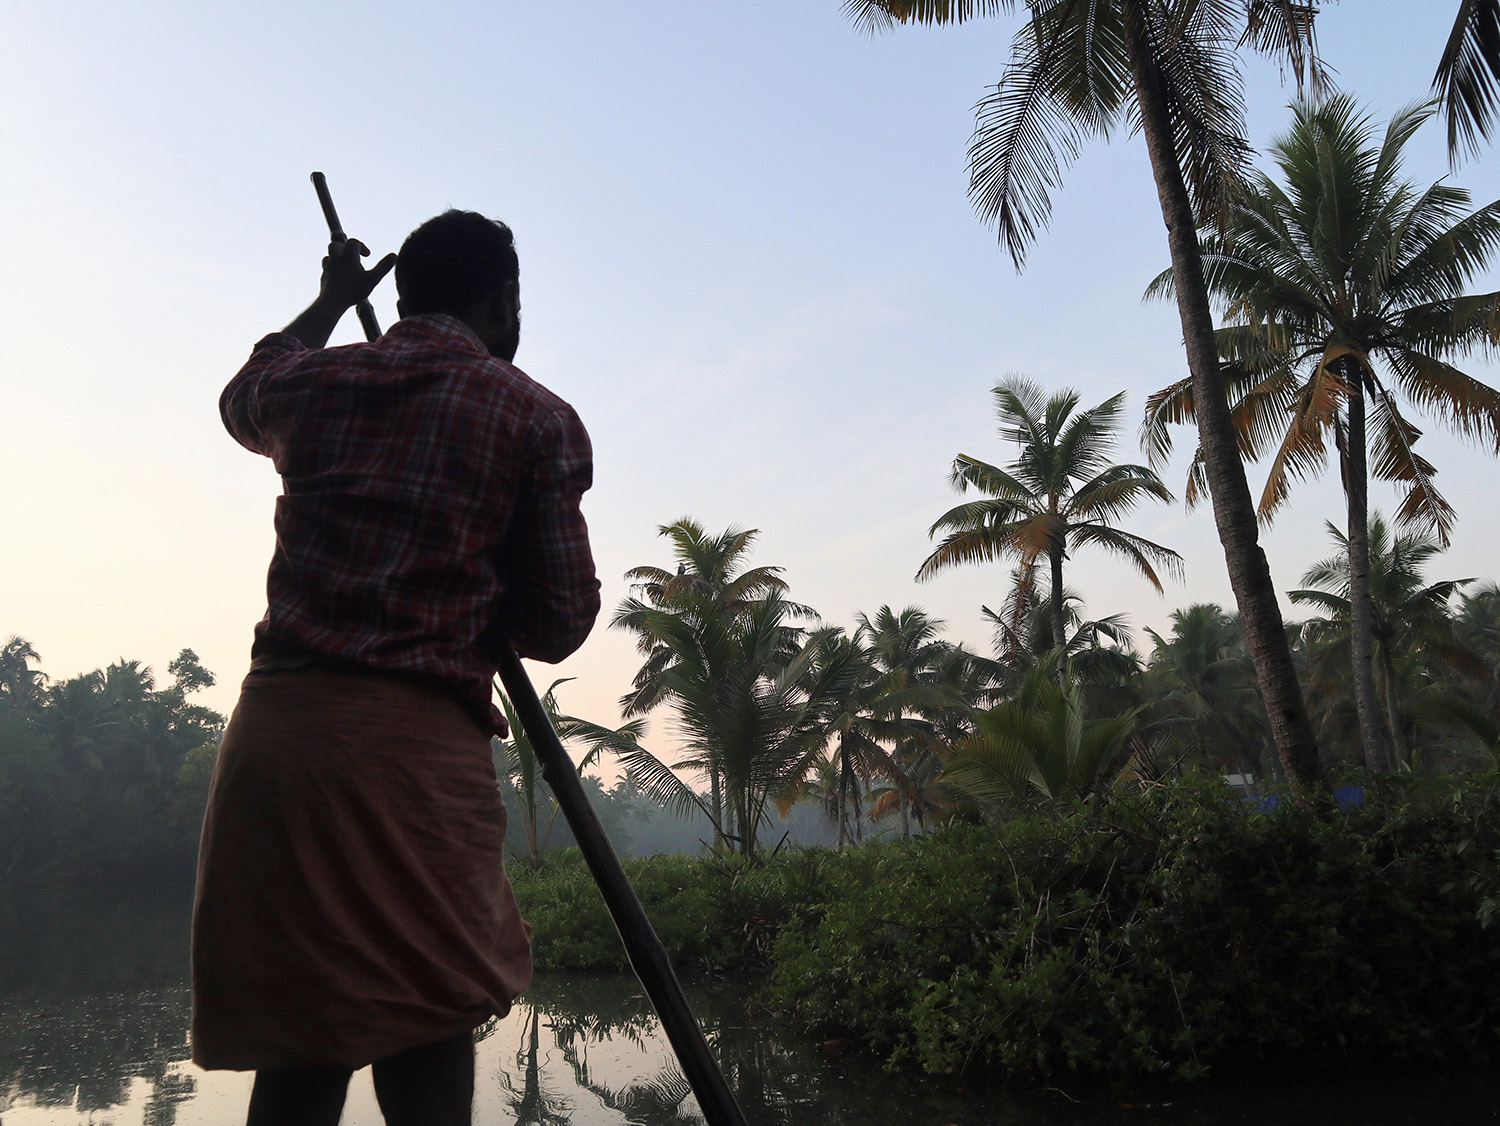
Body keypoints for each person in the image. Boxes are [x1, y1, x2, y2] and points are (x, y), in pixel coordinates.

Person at [192, 210, 601, 1126]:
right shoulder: (534, 416)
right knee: (427, 1028)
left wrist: (333, 301)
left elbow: (241, 395)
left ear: (399, 296)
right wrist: (476, 571)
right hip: (413, 760)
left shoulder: (314, 381)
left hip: (280, 749)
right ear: (502, 300)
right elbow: (558, 621)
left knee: (299, 1048)